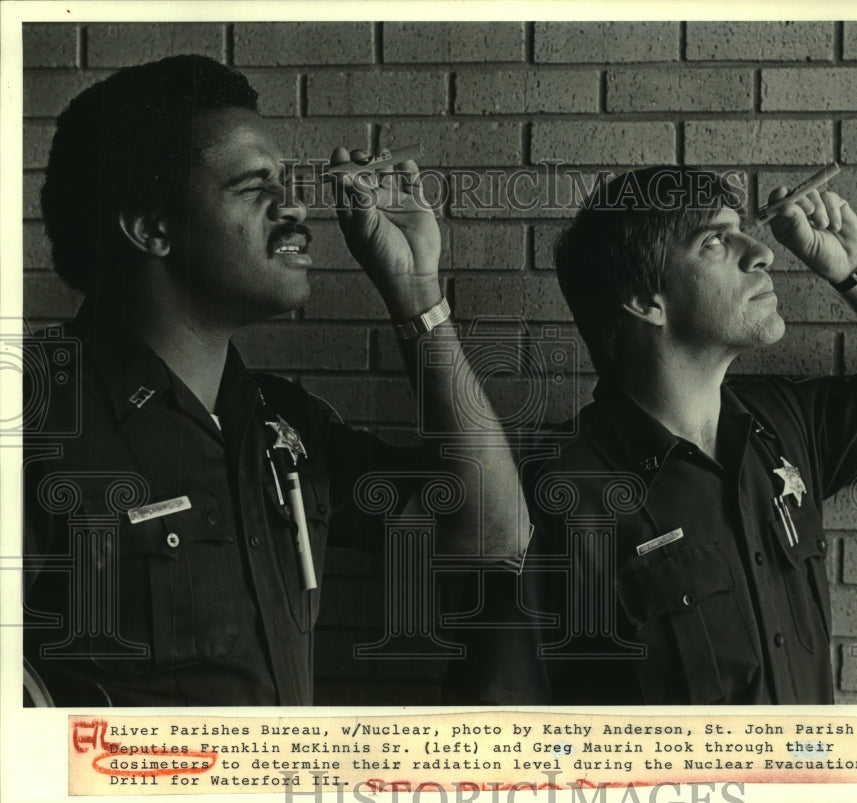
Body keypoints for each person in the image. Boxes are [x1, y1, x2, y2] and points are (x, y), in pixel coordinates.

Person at [22, 55, 528, 706]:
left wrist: (415, 292)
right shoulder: (34, 414)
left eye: (288, 181)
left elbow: (491, 533)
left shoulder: (280, 426)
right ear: (152, 227)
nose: (297, 208)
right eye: (257, 186)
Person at [453, 165, 857, 705]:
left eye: (741, 231)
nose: (764, 253)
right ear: (644, 301)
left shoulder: (786, 421)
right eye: (715, 242)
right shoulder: (552, 494)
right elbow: (499, 735)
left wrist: (856, 269)